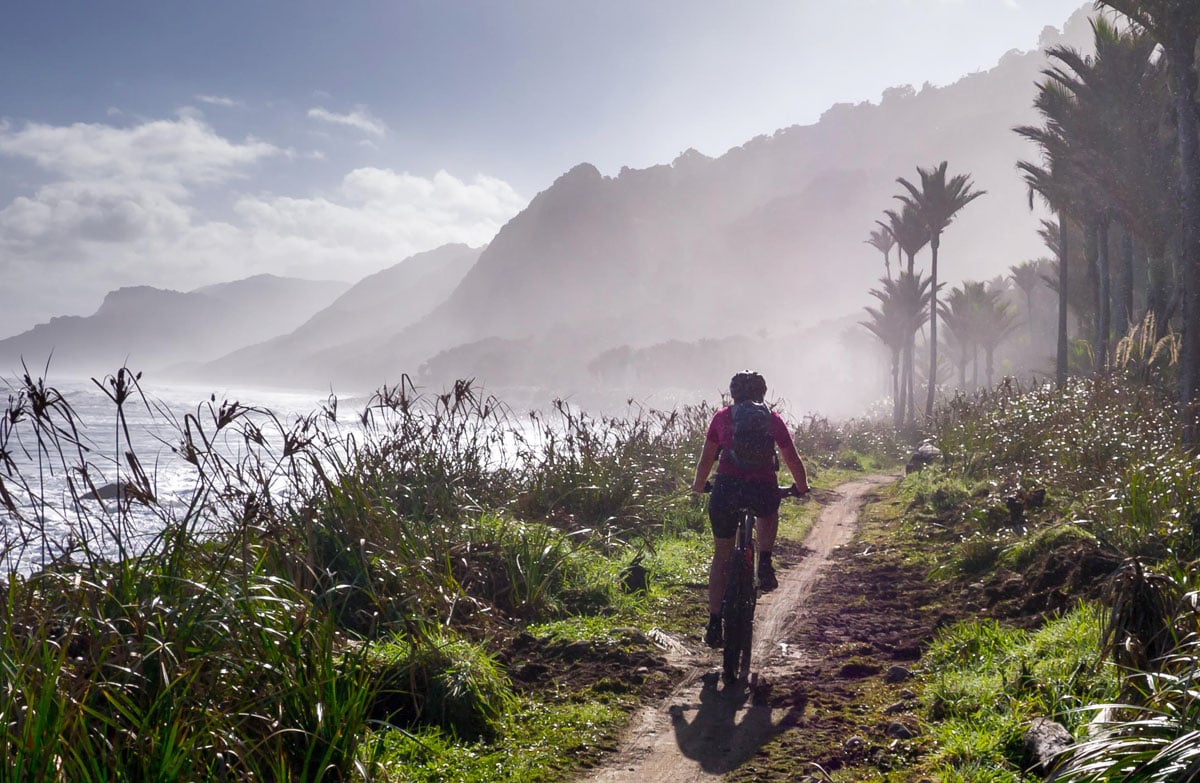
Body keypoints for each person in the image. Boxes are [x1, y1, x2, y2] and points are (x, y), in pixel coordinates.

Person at [690, 370, 810, 648]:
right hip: (762, 489)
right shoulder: (772, 419)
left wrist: (699, 486)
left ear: (733, 394)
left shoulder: (722, 418)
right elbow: (792, 458)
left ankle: (714, 621)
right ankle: (765, 561)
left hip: (727, 490)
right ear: (762, 393)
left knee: (722, 556)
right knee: (769, 510)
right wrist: (801, 487)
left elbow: (706, 460)